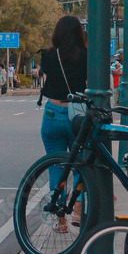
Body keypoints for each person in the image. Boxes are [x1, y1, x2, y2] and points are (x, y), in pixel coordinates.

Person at [39, 15, 88, 234]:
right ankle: (77, 211)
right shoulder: (86, 56)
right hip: (76, 114)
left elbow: (46, 76)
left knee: (56, 167)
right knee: (80, 164)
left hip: (52, 112)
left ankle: (59, 220)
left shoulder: (48, 56)